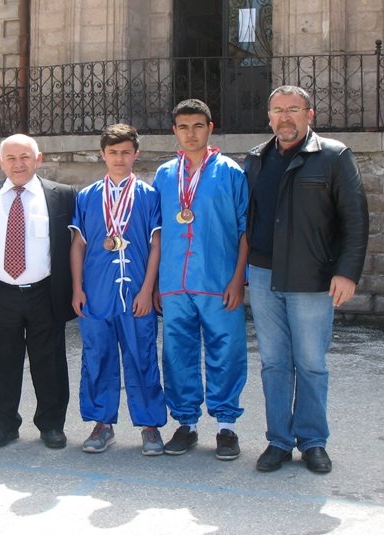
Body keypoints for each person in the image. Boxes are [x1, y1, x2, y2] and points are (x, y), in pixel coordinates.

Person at [244, 85, 369, 474]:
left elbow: (356, 220)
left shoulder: (333, 156)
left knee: (312, 363)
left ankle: (313, 441)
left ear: (309, 115)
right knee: (274, 363)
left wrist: (346, 272)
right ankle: (278, 440)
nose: (285, 117)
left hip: (312, 279)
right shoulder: (256, 160)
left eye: (293, 109)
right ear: (269, 118)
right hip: (264, 277)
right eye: (278, 110)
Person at [152, 99, 249, 461]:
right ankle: (186, 423)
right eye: (182, 127)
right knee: (178, 353)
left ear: (211, 128)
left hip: (218, 279)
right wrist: (157, 283)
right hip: (175, 282)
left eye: (197, 126)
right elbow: (156, 231)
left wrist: (239, 278)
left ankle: (226, 426)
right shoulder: (164, 175)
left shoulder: (230, 172)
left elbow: (244, 229)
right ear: (174, 132)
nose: (190, 134)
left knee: (227, 350)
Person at [0, 134, 76, 450]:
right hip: (0, 291)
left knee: (51, 362)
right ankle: (3, 424)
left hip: (45, 291)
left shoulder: (63, 195)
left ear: (38, 158)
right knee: (2, 362)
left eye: (25, 157)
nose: (19, 164)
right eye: (12, 158)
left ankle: (51, 425)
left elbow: (74, 245)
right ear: (0, 162)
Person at [69, 124, 167, 456]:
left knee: (142, 356)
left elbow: (156, 244)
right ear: (103, 155)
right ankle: (102, 423)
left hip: (136, 291)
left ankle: (150, 425)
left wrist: (147, 290)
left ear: (136, 154)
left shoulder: (149, 195)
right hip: (96, 291)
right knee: (97, 356)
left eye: (126, 152)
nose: (120, 158)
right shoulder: (86, 196)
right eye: (113, 152)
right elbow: (78, 246)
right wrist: (77, 289)